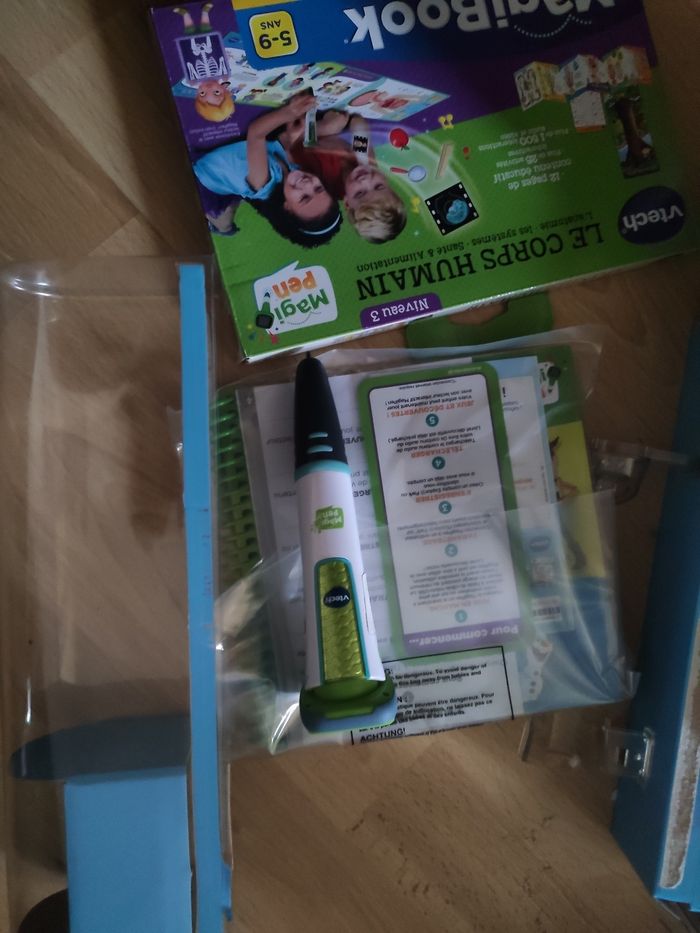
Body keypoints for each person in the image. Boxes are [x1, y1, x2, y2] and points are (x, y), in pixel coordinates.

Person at [194, 94, 342, 246]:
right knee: (235, 194)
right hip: (231, 170)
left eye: (304, 198)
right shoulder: (294, 173)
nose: (308, 184)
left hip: (203, 175)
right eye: (318, 188)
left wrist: (289, 112)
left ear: (287, 208)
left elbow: (257, 133)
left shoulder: (263, 182)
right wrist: (324, 127)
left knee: (220, 209)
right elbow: (286, 140)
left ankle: (223, 227)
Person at [291, 111, 406, 243]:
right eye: (378, 186)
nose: (365, 180)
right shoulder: (367, 166)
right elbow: (358, 122)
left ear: (347, 202)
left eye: (360, 193)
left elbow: (296, 141)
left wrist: (325, 127)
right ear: (386, 181)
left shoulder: (324, 183)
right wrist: (362, 159)